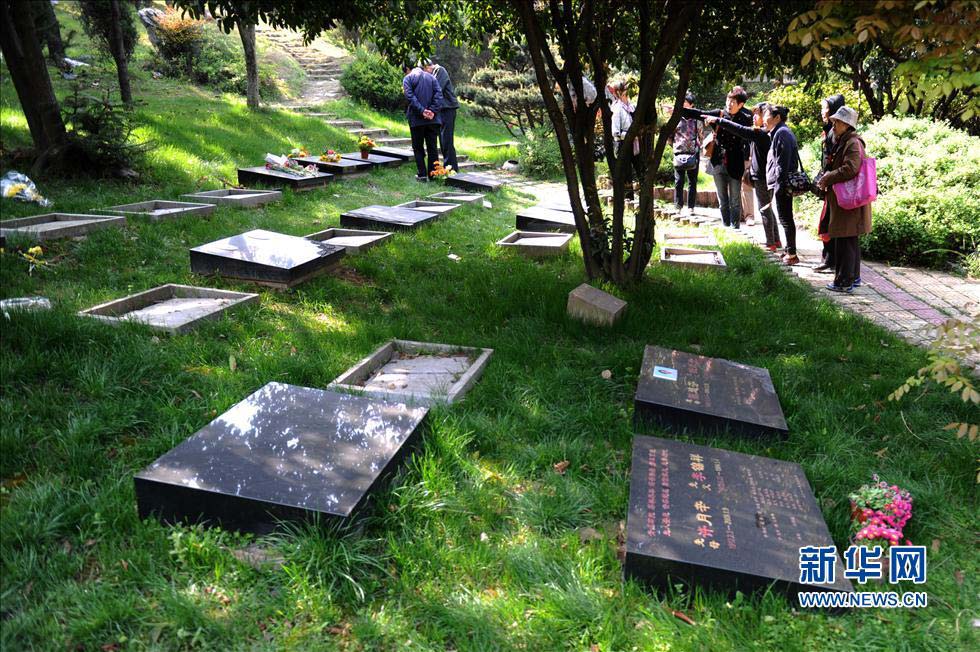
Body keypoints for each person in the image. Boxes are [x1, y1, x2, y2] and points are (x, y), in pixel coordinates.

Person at [705, 102, 780, 250]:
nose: (754, 117)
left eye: (758, 114)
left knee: (764, 209)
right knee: (768, 209)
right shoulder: (766, 132)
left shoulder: (761, 133)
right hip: (763, 176)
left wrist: (719, 120)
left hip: (763, 177)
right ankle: (776, 240)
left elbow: (739, 129)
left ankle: (771, 243)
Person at [816, 106, 871, 292]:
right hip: (844, 200)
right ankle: (853, 278)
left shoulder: (852, 143)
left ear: (846, 124)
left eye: (837, 122)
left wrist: (828, 177)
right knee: (848, 240)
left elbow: (851, 169)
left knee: (844, 241)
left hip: (848, 201)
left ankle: (844, 281)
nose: (834, 124)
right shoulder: (844, 140)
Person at [684, 86, 753, 229]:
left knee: (735, 199)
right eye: (728, 99)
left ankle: (735, 228)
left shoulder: (745, 119)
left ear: (741, 104)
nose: (729, 103)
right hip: (718, 162)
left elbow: (743, 133)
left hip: (736, 163)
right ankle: (726, 227)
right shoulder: (719, 114)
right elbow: (700, 113)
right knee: (722, 199)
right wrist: (679, 110)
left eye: (733, 101)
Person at [764, 104, 801, 265]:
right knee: (785, 217)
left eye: (766, 115)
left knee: (786, 218)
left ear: (777, 117)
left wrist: (779, 186)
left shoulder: (782, 133)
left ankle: (792, 254)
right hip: (781, 183)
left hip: (783, 184)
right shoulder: (779, 132)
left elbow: (782, 163)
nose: (764, 118)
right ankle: (788, 250)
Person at [814, 93, 846, 274]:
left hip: (835, 184)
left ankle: (831, 260)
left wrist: (827, 178)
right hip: (829, 182)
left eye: (824, 108)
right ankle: (829, 259)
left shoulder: (837, 132)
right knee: (826, 222)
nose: (822, 112)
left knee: (830, 223)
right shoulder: (830, 129)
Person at [402, 60, 443, 182]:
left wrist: (422, 111)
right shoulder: (432, 78)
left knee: (418, 147)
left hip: (416, 119)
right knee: (432, 147)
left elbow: (410, 97)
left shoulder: (408, 79)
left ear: (408, 69)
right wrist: (432, 111)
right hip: (433, 120)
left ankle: (422, 174)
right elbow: (439, 95)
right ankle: (433, 174)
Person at [668, 92, 700, 215]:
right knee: (678, 181)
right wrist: (675, 146)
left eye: (685, 104)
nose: (683, 106)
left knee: (692, 181)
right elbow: (670, 136)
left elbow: (701, 135)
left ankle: (691, 207)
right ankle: (678, 205)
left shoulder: (697, 119)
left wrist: (696, 147)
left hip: (693, 152)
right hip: (679, 152)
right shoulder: (676, 118)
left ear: (692, 105)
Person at [611, 81, 643, 201]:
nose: (626, 91)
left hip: (634, 143)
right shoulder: (616, 108)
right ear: (618, 92)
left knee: (640, 168)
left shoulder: (632, 106)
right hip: (623, 143)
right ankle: (628, 199)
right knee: (626, 172)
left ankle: (642, 197)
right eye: (624, 89)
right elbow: (616, 133)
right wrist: (630, 135)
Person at [426, 60, 459, 172]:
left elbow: (437, 89)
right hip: (442, 110)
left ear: (428, 67)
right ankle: (447, 168)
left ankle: (451, 169)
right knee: (443, 140)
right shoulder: (435, 72)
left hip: (448, 109)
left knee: (446, 140)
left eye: (425, 71)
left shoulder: (440, 70)